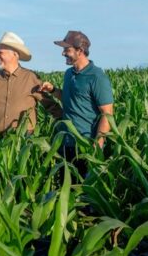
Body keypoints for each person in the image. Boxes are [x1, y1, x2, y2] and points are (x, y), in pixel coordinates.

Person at [39, 30, 114, 175]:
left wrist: (97, 145)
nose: (63, 53)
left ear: (80, 51)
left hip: (85, 144)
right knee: (66, 187)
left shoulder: (97, 77)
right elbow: (70, 100)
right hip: (66, 141)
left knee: (83, 191)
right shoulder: (69, 74)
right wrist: (53, 90)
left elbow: (107, 114)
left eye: (67, 49)